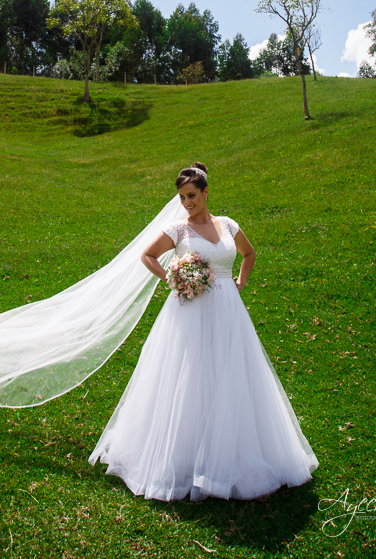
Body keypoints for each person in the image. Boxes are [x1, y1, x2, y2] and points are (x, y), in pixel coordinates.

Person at [89, 162, 318, 501]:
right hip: (191, 312)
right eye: (182, 197)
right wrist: (173, 278)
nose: (187, 203)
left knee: (232, 373)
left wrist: (240, 281)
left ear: (207, 192)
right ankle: (186, 456)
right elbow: (148, 256)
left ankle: (233, 452)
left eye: (192, 196)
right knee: (190, 377)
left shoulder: (227, 224)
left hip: (229, 312)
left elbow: (249, 253)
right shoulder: (178, 230)